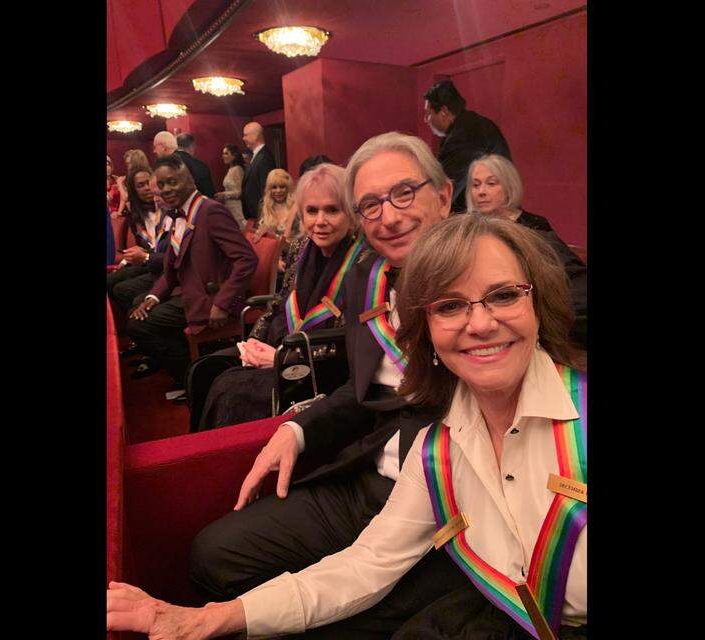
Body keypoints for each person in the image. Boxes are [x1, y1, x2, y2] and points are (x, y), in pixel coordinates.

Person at [107, 214, 588, 639]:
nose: (480, 324)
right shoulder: (438, 448)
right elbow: (366, 565)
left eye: (503, 296)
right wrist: (206, 619)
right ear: (426, 333)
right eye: (449, 306)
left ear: (538, 304)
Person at [181, 132, 467, 635]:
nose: (390, 216)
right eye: (371, 205)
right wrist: (297, 430)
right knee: (212, 556)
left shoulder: (491, 270)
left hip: (449, 503)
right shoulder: (367, 276)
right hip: (368, 476)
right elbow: (365, 392)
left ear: (443, 195)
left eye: (404, 193)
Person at [196, 163, 363, 430]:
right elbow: (279, 302)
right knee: (206, 369)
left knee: (230, 390)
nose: (320, 221)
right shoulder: (300, 247)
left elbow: (349, 342)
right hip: (279, 344)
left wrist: (281, 358)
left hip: (317, 365)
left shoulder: (363, 263)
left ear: (352, 214)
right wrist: (254, 340)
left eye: (332, 210)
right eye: (312, 211)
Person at [127, 155, 258, 392]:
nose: (166, 190)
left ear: (188, 179)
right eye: (162, 184)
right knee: (139, 306)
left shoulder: (210, 211)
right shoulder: (177, 214)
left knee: (139, 326)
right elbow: (171, 269)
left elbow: (246, 259)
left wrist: (222, 303)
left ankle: (193, 379)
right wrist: (152, 298)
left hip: (209, 298)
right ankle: (189, 373)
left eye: (173, 182)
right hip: (188, 288)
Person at [466, 154, 587, 319]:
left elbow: (574, 279)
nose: (481, 192)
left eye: (491, 183)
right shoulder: (467, 231)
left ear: (509, 187)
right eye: (475, 185)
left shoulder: (535, 227)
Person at [423, 79, 512, 213]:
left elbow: (445, 190)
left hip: (490, 222)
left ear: (443, 111)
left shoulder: (466, 133)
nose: (426, 119)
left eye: (429, 113)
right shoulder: (471, 125)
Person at [107, 166, 171, 321]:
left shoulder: (167, 208)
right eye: (140, 185)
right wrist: (126, 259)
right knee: (111, 281)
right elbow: (146, 244)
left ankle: (135, 319)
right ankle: (129, 321)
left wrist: (146, 256)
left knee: (122, 289)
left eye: (148, 182)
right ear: (134, 191)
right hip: (151, 260)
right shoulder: (137, 215)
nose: (147, 188)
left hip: (163, 264)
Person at [241, 122, 277, 222]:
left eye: (245, 135)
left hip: (261, 217)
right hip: (254, 216)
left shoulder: (264, 157)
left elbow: (266, 191)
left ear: (255, 135)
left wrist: (263, 219)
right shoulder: (258, 155)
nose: (243, 138)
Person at [254, 168, 299, 242]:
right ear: (269, 189)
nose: (278, 191)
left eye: (282, 187)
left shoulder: (296, 206)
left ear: (288, 187)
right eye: (274, 187)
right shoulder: (263, 205)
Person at [174, 132, 217, 199]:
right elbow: (209, 194)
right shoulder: (200, 166)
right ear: (192, 146)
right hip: (196, 205)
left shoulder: (165, 163)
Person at [214, 143, 246, 227]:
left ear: (234, 155)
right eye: (223, 153)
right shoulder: (230, 169)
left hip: (237, 208)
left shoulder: (237, 169)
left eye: (226, 153)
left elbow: (240, 192)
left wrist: (224, 194)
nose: (223, 156)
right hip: (229, 207)